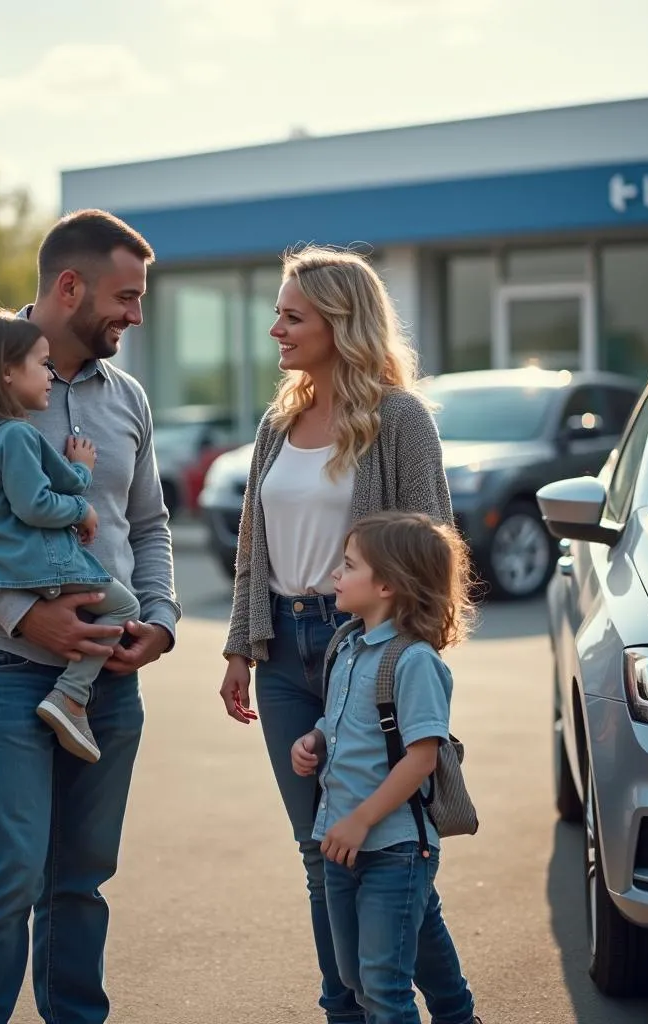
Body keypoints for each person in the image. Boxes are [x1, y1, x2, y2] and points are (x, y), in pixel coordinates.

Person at [0, 209, 180, 1024]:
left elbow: (148, 524)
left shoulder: (127, 399)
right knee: (8, 876)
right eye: (126, 296)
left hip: (108, 676)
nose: (136, 314)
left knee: (80, 880)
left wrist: (157, 621)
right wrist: (21, 615)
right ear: (69, 286)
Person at [218, 246, 468, 1023]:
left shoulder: (399, 419)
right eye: (279, 314)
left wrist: (408, 649)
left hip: (365, 647)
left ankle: (421, 1007)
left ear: (340, 322)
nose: (276, 330)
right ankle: (357, 1009)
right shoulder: (277, 422)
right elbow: (252, 544)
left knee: (385, 847)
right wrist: (239, 644)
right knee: (322, 850)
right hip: (284, 649)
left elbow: (434, 543)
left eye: (292, 316)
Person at [292, 511, 480, 1024]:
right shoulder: (347, 647)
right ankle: (459, 1015)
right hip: (340, 842)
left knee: (383, 987)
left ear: (388, 584)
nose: (336, 574)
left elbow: (421, 759)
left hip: (394, 846)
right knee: (357, 975)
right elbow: (338, 723)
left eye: (349, 565)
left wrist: (360, 820)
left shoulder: (414, 661)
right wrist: (312, 739)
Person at [0, 310, 142, 763]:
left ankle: (69, 694)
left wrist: (79, 473)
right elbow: (36, 504)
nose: (50, 375)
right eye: (40, 364)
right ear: (6, 372)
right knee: (125, 606)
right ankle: (70, 694)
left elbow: (52, 480)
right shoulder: (17, 436)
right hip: (38, 567)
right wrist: (81, 508)